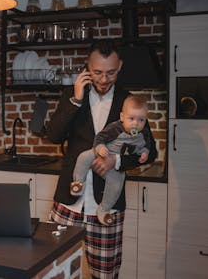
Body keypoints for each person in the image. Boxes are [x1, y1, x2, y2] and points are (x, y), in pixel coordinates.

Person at [47, 39, 157, 279]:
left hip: (106, 207)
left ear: (120, 67)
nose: (104, 79)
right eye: (97, 72)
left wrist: (116, 162)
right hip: (68, 201)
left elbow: (151, 151)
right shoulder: (72, 95)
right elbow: (54, 136)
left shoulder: (129, 103)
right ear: (87, 67)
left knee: (105, 275)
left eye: (111, 73)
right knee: (55, 272)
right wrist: (75, 99)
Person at [70, 94, 151, 226]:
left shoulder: (144, 133)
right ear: (122, 117)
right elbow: (100, 137)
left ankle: (104, 209)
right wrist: (100, 147)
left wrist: (144, 153)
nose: (136, 123)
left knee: (116, 185)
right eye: (131, 119)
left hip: (115, 164)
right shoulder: (116, 127)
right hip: (102, 152)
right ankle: (78, 183)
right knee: (83, 157)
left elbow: (146, 146)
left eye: (141, 120)